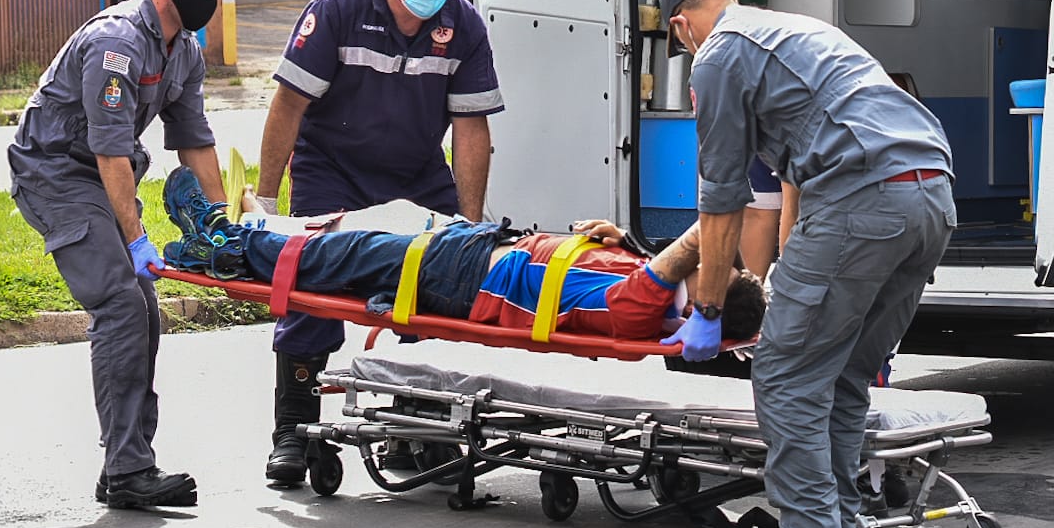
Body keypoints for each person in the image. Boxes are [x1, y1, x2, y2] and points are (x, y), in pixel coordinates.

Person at [656, 0, 956, 528]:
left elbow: (721, 199)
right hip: (931, 197)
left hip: (863, 199)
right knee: (843, 371)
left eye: (677, 38)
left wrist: (707, 309)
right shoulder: (796, 29)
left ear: (682, 23)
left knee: (786, 373)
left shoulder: (716, 55)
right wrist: (793, 258)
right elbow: (798, 166)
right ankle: (840, 525)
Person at [255, 0, 503, 486]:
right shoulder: (340, 7)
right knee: (311, 290)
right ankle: (292, 428)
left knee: (437, 289)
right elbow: (288, 105)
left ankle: (414, 426)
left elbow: (471, 129)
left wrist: (468, 223)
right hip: (332, 168)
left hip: (415, 172)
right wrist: (267, 204)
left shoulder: (461, 23)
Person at [7, 0, 246, 510]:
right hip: (56, 175)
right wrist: (137, 239)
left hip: (101, 174)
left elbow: (194, 141)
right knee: (120, 302)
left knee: (144, 309)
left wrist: (223, 223)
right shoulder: (116, 42)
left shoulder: (182, 50)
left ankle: (126, 460)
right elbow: (109, 150)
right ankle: (127, 471)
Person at [158, 167, 764, 343]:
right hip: (476, 252)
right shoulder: (649, 290)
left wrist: (713, 258)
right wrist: (618, 238)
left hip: (465, 275)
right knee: (356, 234)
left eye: (725, 270)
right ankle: (252, 236)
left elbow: (696, 241)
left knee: (343, 255)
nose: (723, 261)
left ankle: (229, 244)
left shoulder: (644, 308)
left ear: (708, 288)